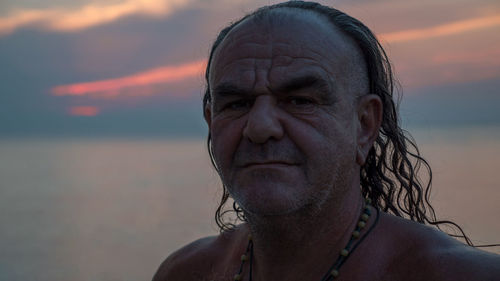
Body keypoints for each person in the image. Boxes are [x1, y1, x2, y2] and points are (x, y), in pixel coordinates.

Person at [153, 1, 500, 280]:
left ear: (364, 125)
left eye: (300, 101)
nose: (259, 127)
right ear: (212, 124)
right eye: (237, 104)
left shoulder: (459, 274)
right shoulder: (187, 272)